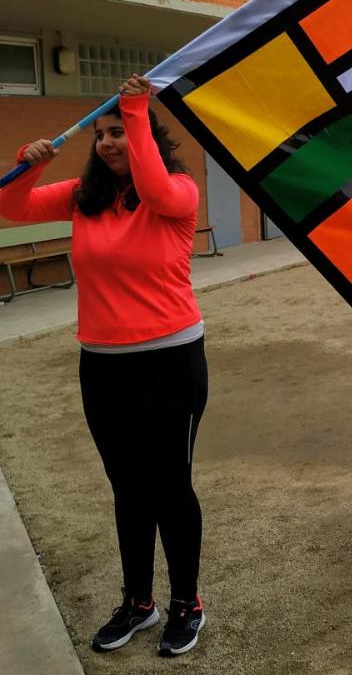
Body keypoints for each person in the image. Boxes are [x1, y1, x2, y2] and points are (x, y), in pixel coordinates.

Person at [0, 75, 208, 654]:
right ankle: (138, 601)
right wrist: (30, 161)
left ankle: (186, 604)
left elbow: (158, 191)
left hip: (170, 361)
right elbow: (9, 206)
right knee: (128, 488)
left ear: (144, 138)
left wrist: (136, 109)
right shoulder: (82, 197)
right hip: (103, 365)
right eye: (101, 135)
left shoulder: (178, 193)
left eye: (118, 132)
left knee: (170, 488)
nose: (108, 142)